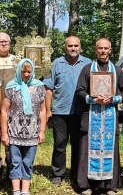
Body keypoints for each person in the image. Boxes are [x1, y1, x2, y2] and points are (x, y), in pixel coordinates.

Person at [75, 38, 123, 195]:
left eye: (106, 48)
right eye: (100, 48)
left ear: (110, 50)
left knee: (110, 150)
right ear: (95, 49)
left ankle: (109, 186)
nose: (103, 51)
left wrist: (114, 99)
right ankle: (86, 185)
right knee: (87, 149)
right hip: (91, 117)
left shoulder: (117, 71)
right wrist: (93, 99)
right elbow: (79, 91)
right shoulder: (87, 69)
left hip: (110, 117)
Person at [44, 36, 91, 185]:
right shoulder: (57, 63)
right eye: (70, 46)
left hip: (81, 111)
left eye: (76, 45)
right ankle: (58, 173)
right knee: (60, 143)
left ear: (80, 47)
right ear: (65, 47)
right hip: (60, 111)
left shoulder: (88, 63)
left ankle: (77, 174)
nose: (73, 48)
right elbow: (49, 87)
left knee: (79, 144)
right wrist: (47, 110)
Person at [1, 59, 46, 195]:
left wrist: (42, 131)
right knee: (15, 161)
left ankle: (25, 191)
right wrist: (4, 133)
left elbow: (43, 110)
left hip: (32, 132)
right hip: (14, 131)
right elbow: (4, 110)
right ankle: (16, 190)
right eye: (23, 71)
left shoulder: (39, 87)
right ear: (19, 71)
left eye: (29, 71)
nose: (26, 74)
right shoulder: (11, 87)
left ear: (32, 72)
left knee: (28, 161)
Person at [0, 32, 17, 178]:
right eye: (0, 42)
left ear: (10, 43)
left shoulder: (17, 60)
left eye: (6, 41)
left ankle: (12, 170)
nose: (3, 44)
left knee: (11, 140)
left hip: (13, 108)